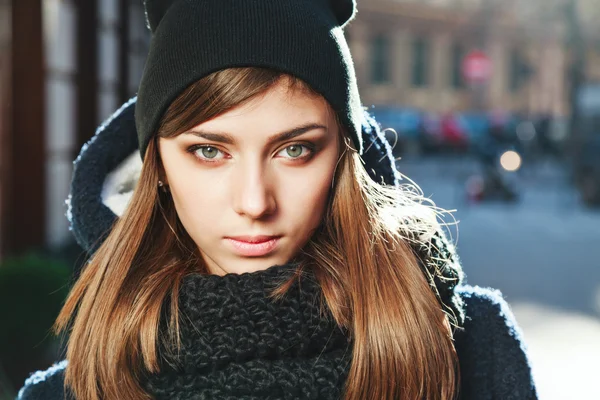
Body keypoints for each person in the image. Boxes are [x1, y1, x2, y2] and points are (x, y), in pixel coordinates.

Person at [17, 1, 537, 399]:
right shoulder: (64, 393)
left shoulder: (474, 349)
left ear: (344, 157)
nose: (254, 201)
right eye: (208, 151)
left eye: (295, 149)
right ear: (156, 166)